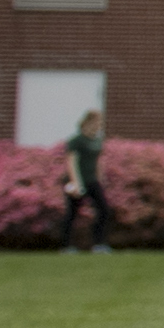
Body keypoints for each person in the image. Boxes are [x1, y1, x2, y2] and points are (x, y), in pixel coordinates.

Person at [59, 104, 110, 254]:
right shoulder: (76, 141)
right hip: (77, 181)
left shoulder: (97, 141)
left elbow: (98, 160)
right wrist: (76, 183)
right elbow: (71, 162)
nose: (99, 126)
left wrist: (101, 178)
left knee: (103, 209)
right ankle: (66, 246)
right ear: (88, 122)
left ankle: (99, 244)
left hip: (92, 180)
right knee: (72, 213)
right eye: (98, 122)